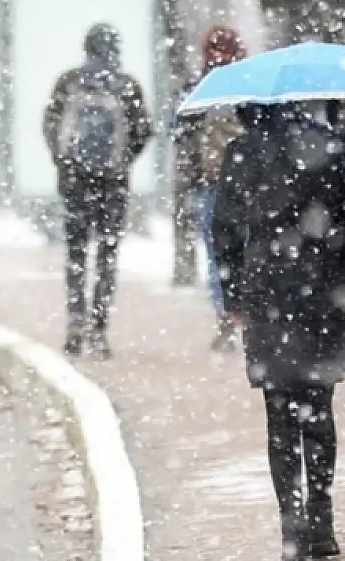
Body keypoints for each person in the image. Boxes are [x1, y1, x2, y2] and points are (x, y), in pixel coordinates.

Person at [212, 102, 345, 561]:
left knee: (279, 412)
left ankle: (291, 526)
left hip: (267, 295)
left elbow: (223, 230)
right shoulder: (335, 146)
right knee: (319, 407)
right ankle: (322, 522)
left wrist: (232, 298)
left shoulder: (242, 152)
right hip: (326, 294)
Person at [43, 23, 153, 359]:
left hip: (75, 182)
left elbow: (50, 124)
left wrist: (65, 163)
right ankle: (99, 328)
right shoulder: (126, 85)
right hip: (112, 184)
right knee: (107, 254)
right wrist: (121, 161)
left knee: (76, 253)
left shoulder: (69, 82)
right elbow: (144, 130)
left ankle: (75, 322)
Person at [172, 25, 248, 351]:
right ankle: (249, 314)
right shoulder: (250, 88)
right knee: (249, 252)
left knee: (218, 256)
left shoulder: (195, 89)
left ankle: (226, 316)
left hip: (209, 185)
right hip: (248, 186)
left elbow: (177, 131)